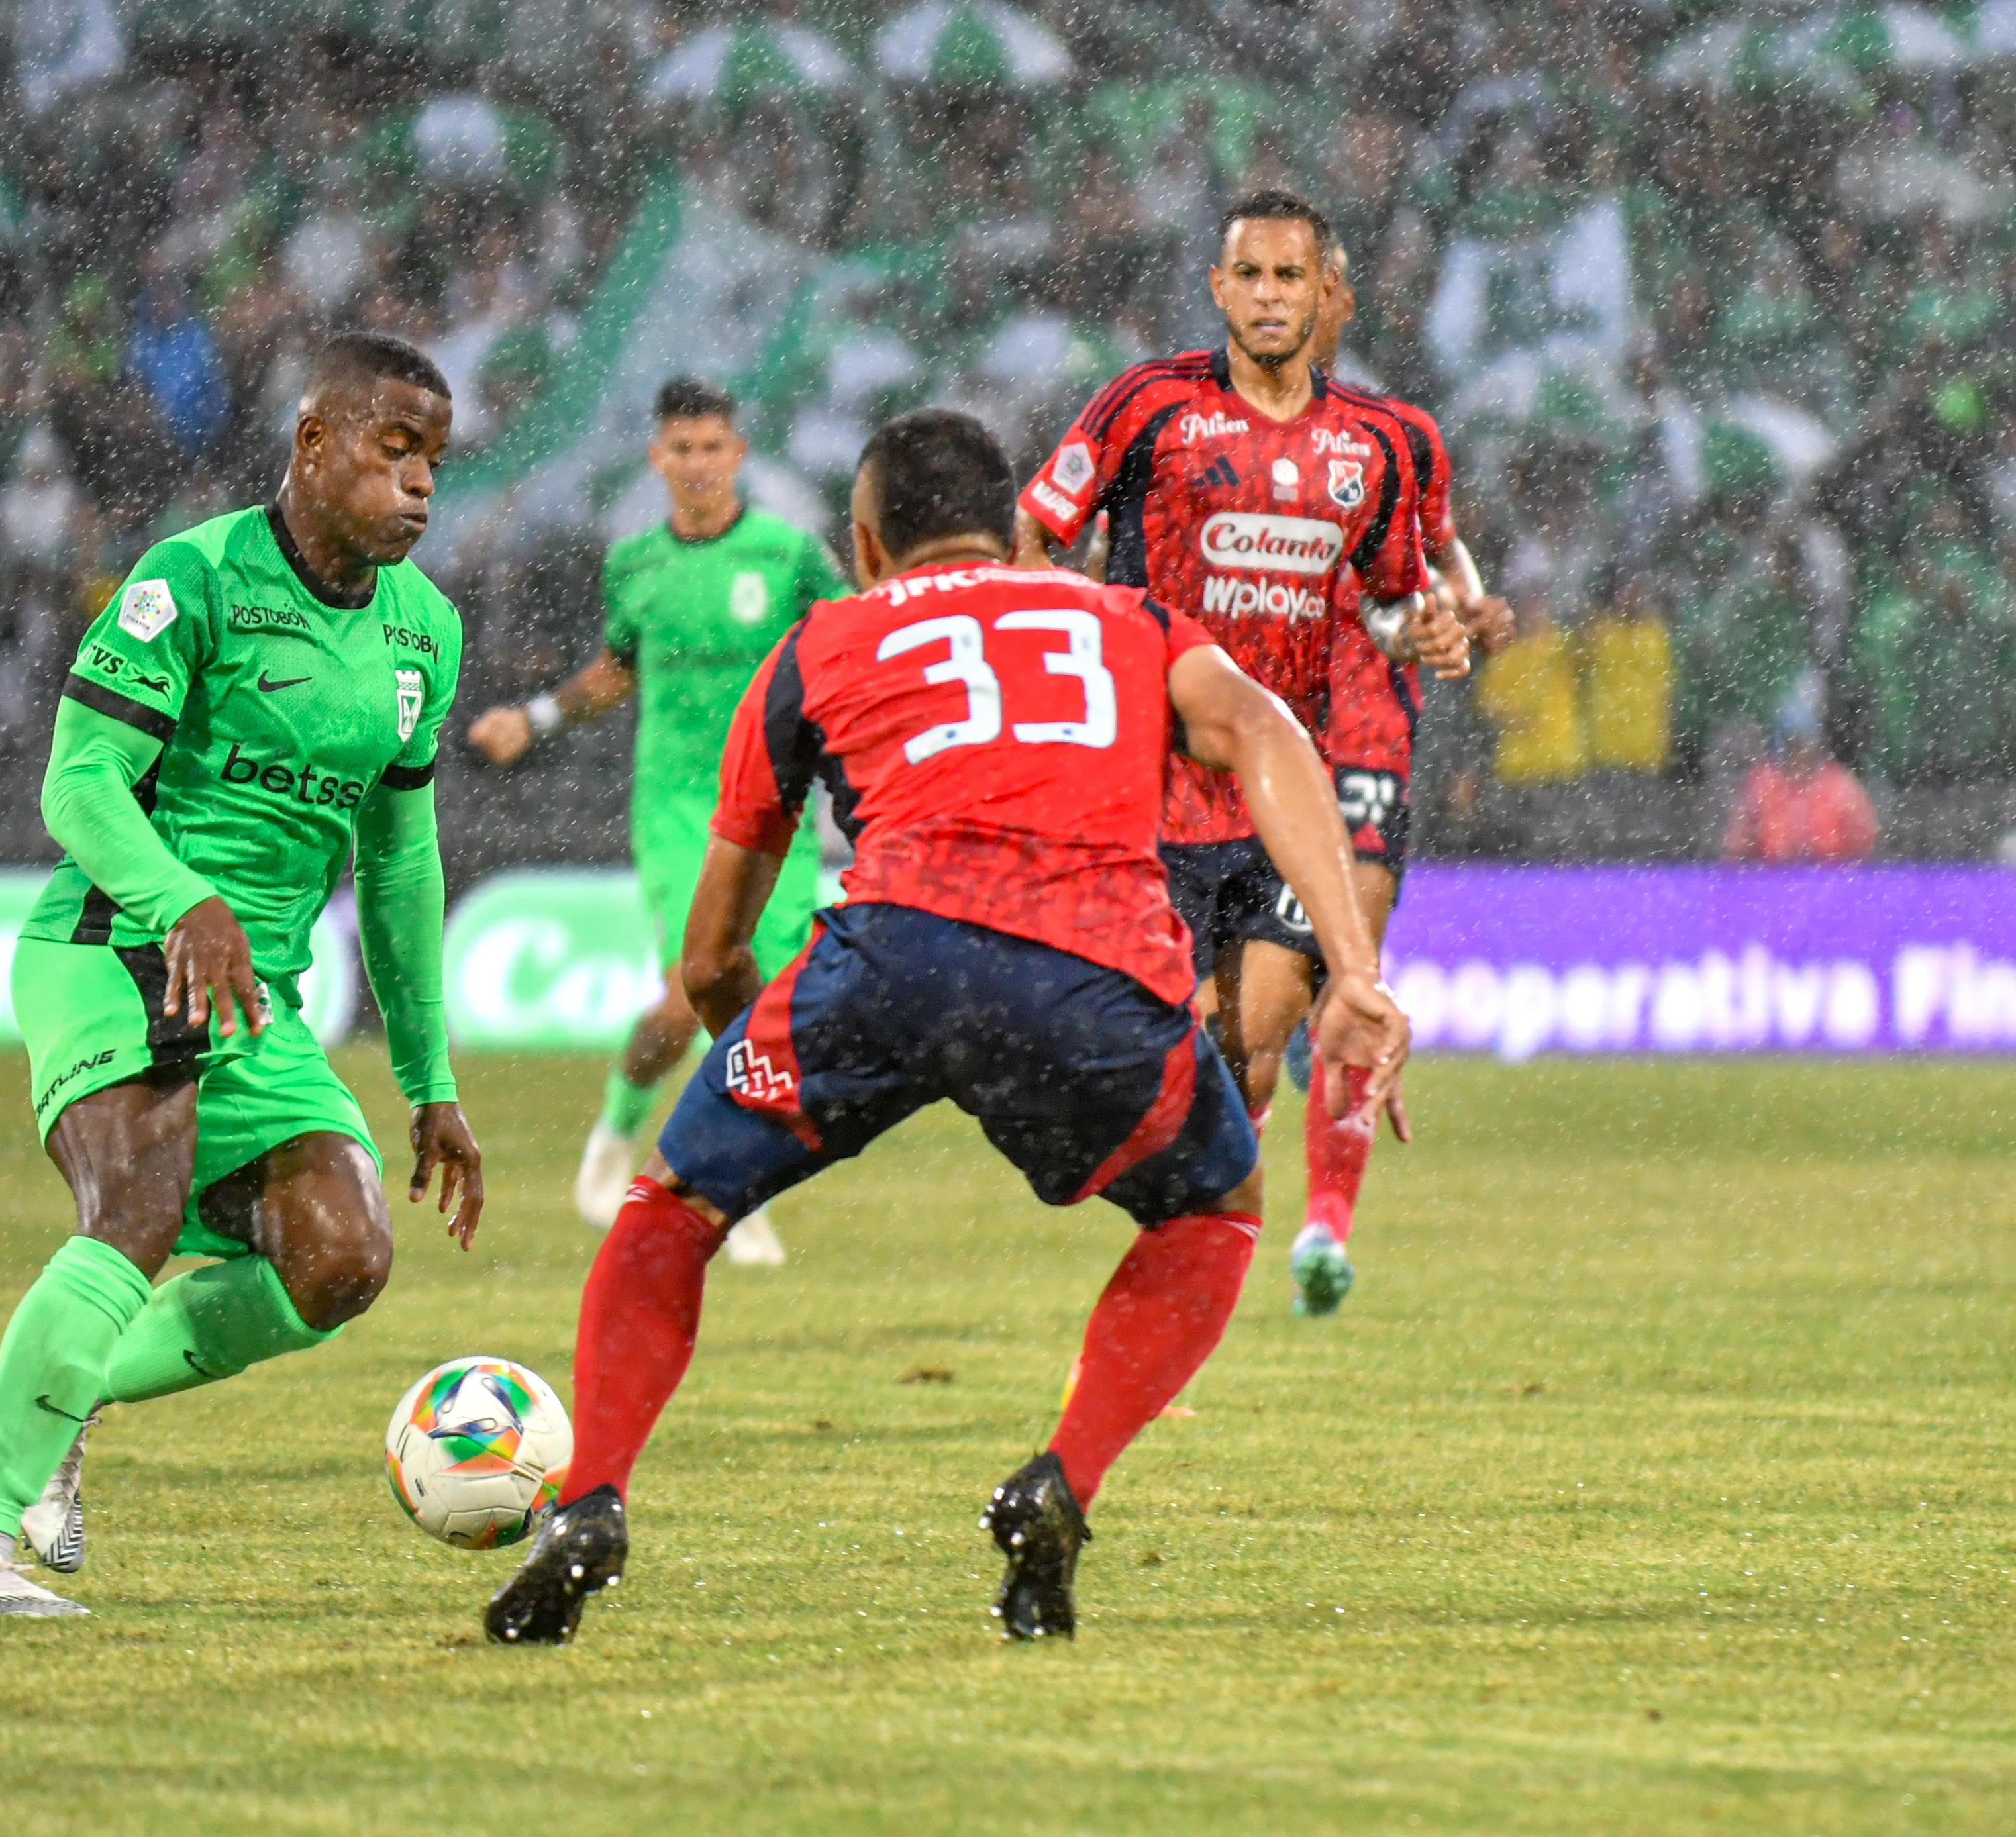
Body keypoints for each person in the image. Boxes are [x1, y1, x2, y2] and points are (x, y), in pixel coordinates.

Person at [485, 409, 1410, 1648]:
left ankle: (588, 1499)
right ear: (1020, 531)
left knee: (670, 1211)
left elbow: (709, 952)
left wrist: (751, 1083)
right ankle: (1062, 1480)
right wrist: (1351, 963)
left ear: (865, 543)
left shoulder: (820, 643)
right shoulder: (1125, 621)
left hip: (887, 958)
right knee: (1214, 1212)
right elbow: (1267, 732)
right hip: (1090, 970)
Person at [0, 332, 487, 1616]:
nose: (420, 486)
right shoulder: (194, 580)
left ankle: (69, 1397)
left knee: (339, 1259)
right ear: (312, 444)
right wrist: (187, 900)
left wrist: (431, 1077)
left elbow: (397, 865)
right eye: (395, 452)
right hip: (118, 946)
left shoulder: (425, 634)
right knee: (138, 1209)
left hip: (250, 994)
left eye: (436, 462)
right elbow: (80, 783)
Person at [1012, 189, 1457, 1263]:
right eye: (1248, 276)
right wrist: (1060, 632)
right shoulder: (1150, 405)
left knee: (1253, 1047)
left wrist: (1416, 632)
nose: (1267, 296)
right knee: (1154, 1063)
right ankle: (1171, 1197)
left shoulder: (1370, 448)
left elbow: (1389, 592)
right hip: (1150, 787)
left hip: (1281, 792)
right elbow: (1041, 524)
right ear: (1218, 288)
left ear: (1324, 292)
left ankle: (1199, 1245)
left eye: (1288, 277)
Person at [466, 377, 848, 1267]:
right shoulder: (635, 561)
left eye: (714, 448)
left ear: (738, 454)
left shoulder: (789, 555)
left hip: (779, 809)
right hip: (681, 812)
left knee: (760, 1009)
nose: (699, 465)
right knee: (689, 996)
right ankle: (616, 1143)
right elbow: (615, 670)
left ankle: (733, 1182)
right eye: (683, 450)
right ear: (658, 459)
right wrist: (537, 718)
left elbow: (847, 641)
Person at [1284, 236, 1515, 1316]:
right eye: (1271, 279)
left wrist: (1467, 610)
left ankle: (1325, 1223)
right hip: (1249, 733)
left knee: (1351, 984)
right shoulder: (1202, 432)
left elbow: (1446, 562)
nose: (1293, 301)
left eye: (1313, 280)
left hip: (1366, 729)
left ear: (1342, 297)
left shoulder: (1393, 436)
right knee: (1226, 1003)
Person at [1724, 697, 1877, 863]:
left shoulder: (1839, 786)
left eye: (1803, 745)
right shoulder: (1763, 786)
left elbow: (1864, 843)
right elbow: (1737, 846)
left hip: (1832, 880)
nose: (1798, 755)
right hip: (1772, 881)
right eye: (1791, 746)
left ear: (1815, 747)